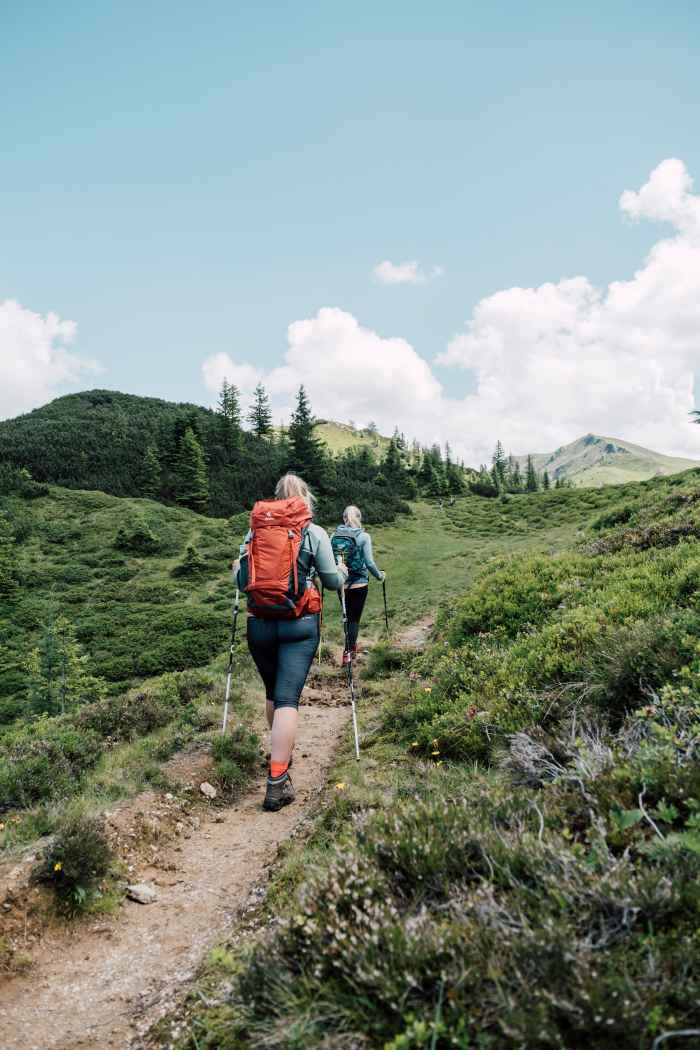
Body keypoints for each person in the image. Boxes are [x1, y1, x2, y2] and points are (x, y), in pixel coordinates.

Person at [234, 474, 346, 812]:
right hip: (298, 625)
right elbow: (330, 581)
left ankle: (281, 760)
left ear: (277, 498)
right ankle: (276, 781)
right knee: (287, 700)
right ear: (304, 498)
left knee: (272, 693)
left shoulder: (254, 531)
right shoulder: (313, 532)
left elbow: (241, 582)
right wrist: (340, 570)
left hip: (259, 625)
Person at [331, 505, 385, 665]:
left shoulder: (333, 535)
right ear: (359, 518)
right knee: (354, 619)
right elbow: (369, 563)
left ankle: (348, 649)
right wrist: (380, 576)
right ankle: (349, 652)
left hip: (341, 583)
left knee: (346, 617)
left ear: (343, 518)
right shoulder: (364, 536)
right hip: (359, 584)